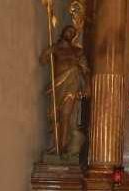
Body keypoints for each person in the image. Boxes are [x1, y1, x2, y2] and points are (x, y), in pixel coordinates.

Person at [40, 25, 89, 156]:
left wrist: (86, 85)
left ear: (74, 36)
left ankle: (61, 147)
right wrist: (48, 51)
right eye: (68, 30)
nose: (70, 33)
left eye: (73, 32)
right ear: (63, 32)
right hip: (58, 85)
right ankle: (55, 145)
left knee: (66, 116)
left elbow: (85, 70)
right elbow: (43, 60)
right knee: (55, 115)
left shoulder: (77, 51)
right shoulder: (56, 48)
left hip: (72, 85)